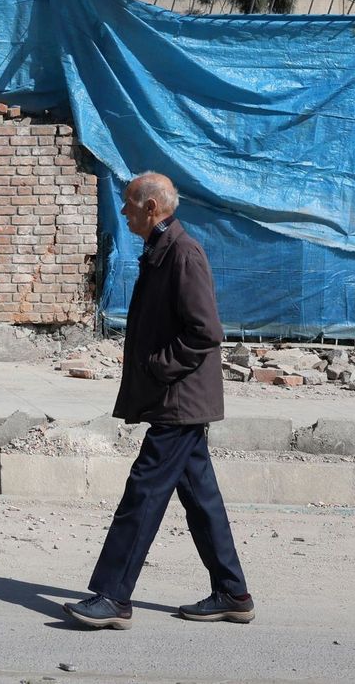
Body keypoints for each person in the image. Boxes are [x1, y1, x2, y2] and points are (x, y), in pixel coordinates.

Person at [63, 172, 254, 630]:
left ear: (153, 208)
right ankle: (233, 593)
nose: (124, 210)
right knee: (201, 497)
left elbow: (205, 332)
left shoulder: (183, 253)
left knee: (143, 492)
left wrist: (158, 367)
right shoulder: (161, 249)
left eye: (130, 204)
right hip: (177, 398)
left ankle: (113, 597)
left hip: (180, 400)